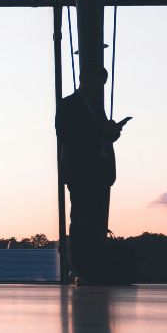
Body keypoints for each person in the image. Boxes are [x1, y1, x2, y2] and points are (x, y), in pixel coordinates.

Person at [56, 65, 129, 284]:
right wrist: (103, 133)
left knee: (93, 221)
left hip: (97, 172)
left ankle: (90, 267)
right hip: (82, 172)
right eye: (100, 82)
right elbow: (67, 135)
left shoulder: (91, 106)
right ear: (86, 80)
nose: (100, 87)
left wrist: (110, 133)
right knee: (82, 221)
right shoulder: (69, 105)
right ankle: (81, 269)